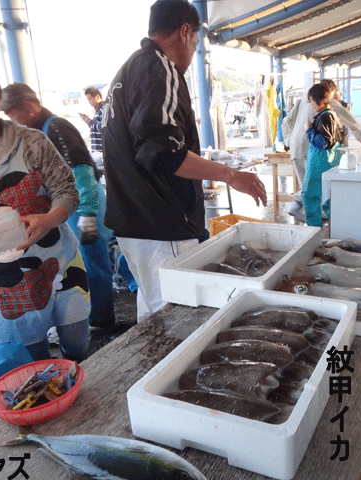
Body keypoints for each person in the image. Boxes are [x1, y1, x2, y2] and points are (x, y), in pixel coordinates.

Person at [102, 0, 266, 323]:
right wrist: (231, 175)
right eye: (194, 44)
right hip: (161, 227)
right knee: (180, 322)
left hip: (134, 225)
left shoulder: (128, 69)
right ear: (184, 32)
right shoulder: (160, 67)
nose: (193, 54)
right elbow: (162, 152)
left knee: (153, 318)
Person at [0, 59, 90, 361]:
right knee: (28, 358)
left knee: (78, 343)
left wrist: (50, 218)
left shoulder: (31, 142)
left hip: (59, 261)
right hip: (4, 279)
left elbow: (66, 190)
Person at [0, 82, 116, 329]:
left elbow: (82, 170)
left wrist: (87, 214)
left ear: (29, 107)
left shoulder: (55, 128)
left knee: (93, 261)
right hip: (75, 205)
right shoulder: (42, 130)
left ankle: (101, 319)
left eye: (12, 114)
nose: (12, 121)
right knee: (87, 261)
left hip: (85, 203)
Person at [283, 78, 361, 222]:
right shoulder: (325, 102)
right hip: (312, 149)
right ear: (329, 93)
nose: (334, 97)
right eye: (333, 94)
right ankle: (317, 216)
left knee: (309, 187)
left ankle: (310, 215)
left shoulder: (305, 99)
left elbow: (286, 121)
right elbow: (348, 119)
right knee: (316, 187)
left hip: (296, 148)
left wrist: (288, 140)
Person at [302, 83, 343, 227]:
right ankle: (340, 227)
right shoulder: (330, 115)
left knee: (310, 195)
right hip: (328, 162)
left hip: (319, 162)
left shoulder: (325, 117)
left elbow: (323, 143)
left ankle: (313, 232)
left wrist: (309, 130)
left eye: (313, 100)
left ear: (324, 99)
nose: (311, 103)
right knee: (328, 199)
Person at [79, 86, 105, 154]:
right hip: (98, 153)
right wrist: (88, 122)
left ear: (97, 97)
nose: (89, 102)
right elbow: (96, 128)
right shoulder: (98, 110)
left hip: (102, 153)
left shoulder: (104, 109)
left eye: (90, 99)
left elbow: (104, 127)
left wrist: (91, 122)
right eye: (88, 100)